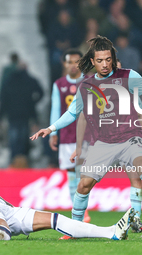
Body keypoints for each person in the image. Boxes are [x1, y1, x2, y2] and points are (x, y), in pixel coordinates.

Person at [31, 36, 142, 232]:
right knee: (83, 185)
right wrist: (51, 128)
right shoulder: (87, 86)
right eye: (99, 61)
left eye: (108, 59)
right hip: (104, 142)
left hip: (131, 138)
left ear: (113, 57)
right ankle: (73, 228)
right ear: (92, 61)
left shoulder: (128, 76)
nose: (105, 64)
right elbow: (73, 113)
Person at [0, 114, 135, 241]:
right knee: (1, 234)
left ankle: (111, 232)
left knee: (53, 219)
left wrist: (5, 205)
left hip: (0, 205)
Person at [49, 49, 91, 226]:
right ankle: (80, 210)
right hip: (66, 135)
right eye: (69, 62)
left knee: (84, 172)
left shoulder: (89, 82)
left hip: (87, 135)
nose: (73, 65)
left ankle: (83, 210)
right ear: (64, 64)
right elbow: (56, 108)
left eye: (76, 61)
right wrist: (53, 132)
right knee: (71, 172)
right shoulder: (59, 84)